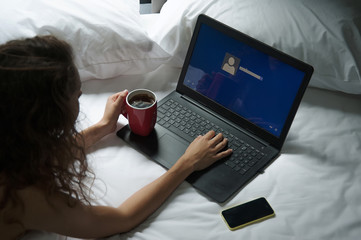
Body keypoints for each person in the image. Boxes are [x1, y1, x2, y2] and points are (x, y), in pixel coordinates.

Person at [0, 35, 232, 239]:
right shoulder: (24, 196)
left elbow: (38, 157)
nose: (78, 99)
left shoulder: (12, 140)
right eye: (77, 95)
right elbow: (121, 218)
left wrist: (103, 127)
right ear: (48, 113)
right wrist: (187, 163)